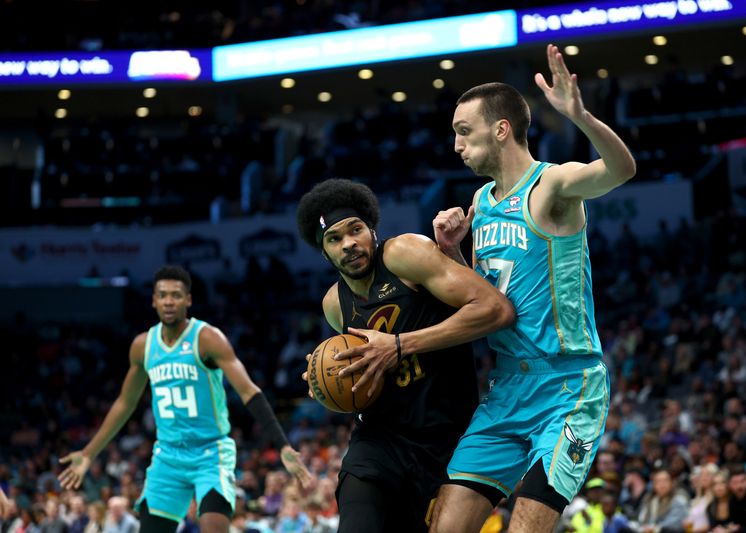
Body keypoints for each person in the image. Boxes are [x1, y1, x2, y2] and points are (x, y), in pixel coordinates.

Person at [430, 43, 636, 533]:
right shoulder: (480, 201)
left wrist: (580, 117)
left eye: (464, 132)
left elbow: (621, 170)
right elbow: (484, 298)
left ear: (501, 129)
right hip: (506, 389)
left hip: (567, 387)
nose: (456, 145)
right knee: (445, 528)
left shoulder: (553, 186)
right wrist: (452, 250)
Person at [296, 178, 516, 532]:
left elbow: (496, 310)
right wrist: (327, 380)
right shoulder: (334, 304)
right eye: (334, 239)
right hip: (379, 441)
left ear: (372, 230)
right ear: (324, 252)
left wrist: (399, 345)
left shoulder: (404, 254)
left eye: (355, 230)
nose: (349, 244)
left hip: (446, 440)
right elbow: (361, 371)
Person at [58, 265, 311, 533]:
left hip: (210, 452)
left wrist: (282, 444)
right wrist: (88, 453)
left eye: (176, 295)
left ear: (188, 300)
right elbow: (125, 402)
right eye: (163, 295)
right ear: (154, 300)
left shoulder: (208, 339)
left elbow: (248, 390)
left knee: (213, 526)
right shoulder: (143, 345)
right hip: (168, 456)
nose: (169, 301)